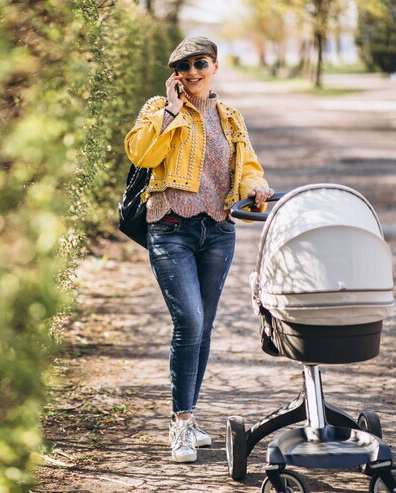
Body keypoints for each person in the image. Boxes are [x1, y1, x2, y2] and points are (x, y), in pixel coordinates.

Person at [124, 36, 273, 463]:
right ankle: (181, 423)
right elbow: (141, 153)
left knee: (202, 326)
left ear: (214, 66)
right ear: (175, 75)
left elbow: (245, 167)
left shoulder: (229, 116)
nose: (192, 72)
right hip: (170, 228)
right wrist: (171, 111)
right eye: (183, 66)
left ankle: (189, 418)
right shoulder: (158, 109)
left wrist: (255, 188)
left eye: (199, 63)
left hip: (218, 232)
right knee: (188, 320)